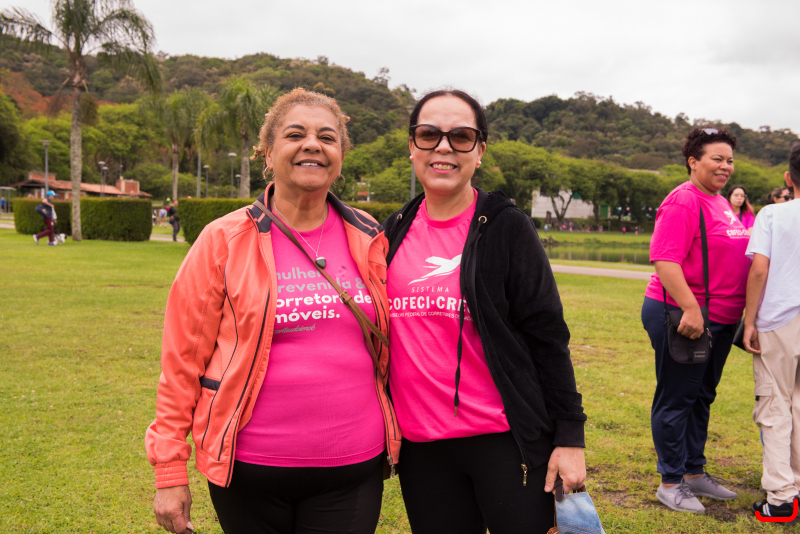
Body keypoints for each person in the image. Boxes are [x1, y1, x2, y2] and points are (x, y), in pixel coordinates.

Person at [146, 88, 400, 534]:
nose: (312, 145)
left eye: (327, 137)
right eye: (295, 134)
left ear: (340, 156)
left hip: (352, 468)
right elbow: (182, 360)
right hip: (249, 469)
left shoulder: (370, 236)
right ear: (268, 153)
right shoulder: (223, 239)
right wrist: (169, 470)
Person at [381, 89, 586, 534]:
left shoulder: (506, 226)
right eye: (429, 134)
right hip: (422, 447)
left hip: (503, 440)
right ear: (412, 146)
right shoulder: (391, 232)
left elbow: (548, 336)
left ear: (480, 151)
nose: (443, 147)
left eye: (461, 137)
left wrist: (570, 437)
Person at [641, 127, 750, 514]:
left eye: (730, 160)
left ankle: (693, 471)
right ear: (693, 161)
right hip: (684, 315)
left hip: (720, 319)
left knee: (702, 396)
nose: (725, 166)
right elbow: (665, 258)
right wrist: (690, 309)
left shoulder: (719, 202)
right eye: (717, 158)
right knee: (677, 398)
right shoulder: (684, 201)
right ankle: (671, 482)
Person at [743, 143, 800, 521]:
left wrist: (749, 321)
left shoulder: (773, 214)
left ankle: (780, 498)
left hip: (780, 319)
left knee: (776, 405)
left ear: (788, 177)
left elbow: (759, 269)